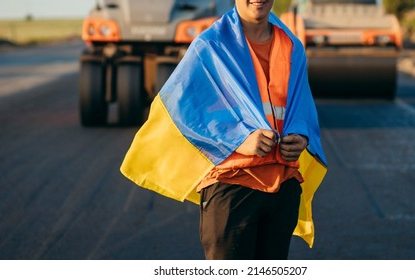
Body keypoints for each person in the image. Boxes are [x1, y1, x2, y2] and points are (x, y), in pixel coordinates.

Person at [121, 0, 327, 260]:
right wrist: (238, 139)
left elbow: (301, 107)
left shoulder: (291, 46)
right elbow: (182, 111)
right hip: (232, 187)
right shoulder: (210, 46)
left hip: (282, 188)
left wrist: (300, 136)